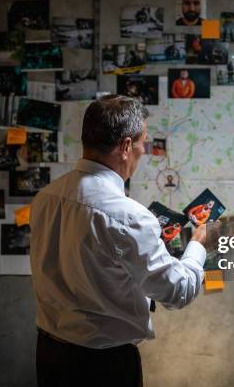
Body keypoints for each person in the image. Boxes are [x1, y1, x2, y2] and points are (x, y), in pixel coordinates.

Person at [30, 95, 211, 386]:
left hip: (50, 355)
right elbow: (177, 292)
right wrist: (199, 244)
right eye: (143, 142)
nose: (144, 150)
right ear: (127, 146)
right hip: (103, 367)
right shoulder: (129, 217)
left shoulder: (45, 198)